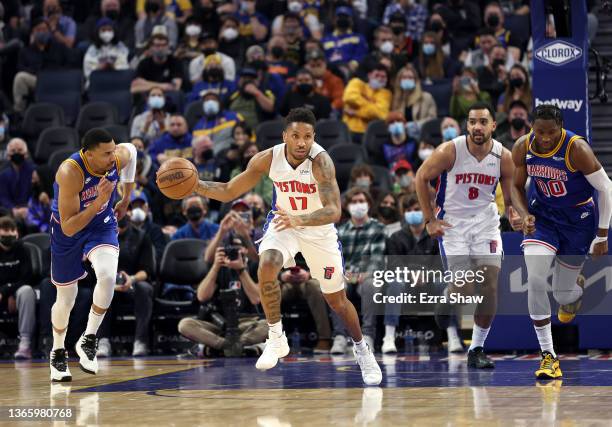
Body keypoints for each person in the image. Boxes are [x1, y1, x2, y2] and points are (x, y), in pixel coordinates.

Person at [187, 107, 382, 385]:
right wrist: (196, 185)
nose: (302, 142)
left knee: (337, 300)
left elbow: (334, 211)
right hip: (283, 224)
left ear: (313, 137)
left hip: (318, 230)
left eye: (307, 136)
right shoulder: (267, 159)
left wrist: (299, 218)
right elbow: (230, 190)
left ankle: (362, 349)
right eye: (296, 136)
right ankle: (276, 337)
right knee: (266, 264)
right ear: (285, 136)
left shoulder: (321, 162)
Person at [510, 105, 612, 379]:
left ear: (561, 128)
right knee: (535, 279)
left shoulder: (576, 149)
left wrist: (602, 234)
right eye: (539, 131)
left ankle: (573, 293)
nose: (544, 138)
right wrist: (523, 213)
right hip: (542, 217)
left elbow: (606, 188)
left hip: (578, 221)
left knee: (563, 294)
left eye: (551, 132)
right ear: (532, 128)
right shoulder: (523, 146)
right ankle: (548, 356)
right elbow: (516, 186)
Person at [415, 102, 515, 369]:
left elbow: (510, 188)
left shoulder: (503, 156)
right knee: (465, 289)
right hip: (453, 225)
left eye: (483, 121)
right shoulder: (450, 150)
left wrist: (515, 212)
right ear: (466, 125)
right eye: (472, 122)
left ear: (494, 125)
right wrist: (429, 220)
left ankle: (477, 348)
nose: (477, 127)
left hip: (485, 223)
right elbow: (421, 177)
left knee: (490, 285)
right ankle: (448, 294)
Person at [49, 128, 137, 381]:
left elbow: (131, 150)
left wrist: (126, 197)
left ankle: (89, 338)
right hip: (68, 231)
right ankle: (57, 351)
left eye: (113, 151)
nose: (113, 157)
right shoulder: (70, 172)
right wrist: (99, 201)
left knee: (109, 276)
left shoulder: (116, 157)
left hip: (101, 225)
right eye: (107, 153)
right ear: (88, 154)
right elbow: (69, 226)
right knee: (66, 298)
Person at [177, 236, 267, 355]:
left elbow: (256, 299)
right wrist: (215, 267)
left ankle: (219, 349)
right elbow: (202, 296)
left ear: (245, 250)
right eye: (228, 248)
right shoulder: (217, 267)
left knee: (271, 324)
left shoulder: (254, 266)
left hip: (246, 323)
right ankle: (229, 347)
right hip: (219, 325)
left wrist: (241, 270)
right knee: (185, 325)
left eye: (236, 247)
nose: (232, 251)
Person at [332, 188, 386, 353]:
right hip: (347, 276)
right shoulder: (340, 231)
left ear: (368, 204)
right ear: (347, 206)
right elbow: (336, 258)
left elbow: (377, 259)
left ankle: (368, 335)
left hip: (367, 275)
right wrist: (342, 272)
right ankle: (340, 337)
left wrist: (366, 273)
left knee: (370, 285)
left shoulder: (378, 228)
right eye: (354, 202)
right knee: (334, 285)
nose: (358, 205)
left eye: (361, 201)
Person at [97, 214, 155, 357]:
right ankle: (103, 341)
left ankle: (140, 341)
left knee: (144, 288)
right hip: (108, 283)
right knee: (100, 290)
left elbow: (147, 270)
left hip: (133, 283)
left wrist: (132, 279)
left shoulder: (141, 237)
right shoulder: (100, 237)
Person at [0, 216, 37, 359]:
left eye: (11, 230)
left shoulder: (22, 248)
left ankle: (25, 343)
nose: (8, 234)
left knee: (27, 291)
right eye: (4, 231)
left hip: (17, 291)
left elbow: (27, 277)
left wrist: (8, 292)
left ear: (16, 233)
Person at [279, 259, 332, 353]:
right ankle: (274, 338)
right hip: (285, 282)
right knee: (271, 289)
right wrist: (281, 276)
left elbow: (329, 265)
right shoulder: (278, 245)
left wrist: (309, 274)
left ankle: (324, 338)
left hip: (311, 279)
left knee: (313, 286)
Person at [342, 63, 391, 142]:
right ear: (369, 75)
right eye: (377, 75)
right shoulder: (356, 82)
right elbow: (350, 98)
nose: (380, 78)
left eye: (383, 76)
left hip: (370, 134)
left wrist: (356, 112)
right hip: (349, 129)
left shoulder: (386, 93)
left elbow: (381, 114)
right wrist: (371, 104)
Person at [83, 17, 130, 88]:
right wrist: (100, 67)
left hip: (117, 80)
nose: (106, 33)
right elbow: (87, 70)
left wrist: (114, 67)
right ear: (98, 32)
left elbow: (125, 65)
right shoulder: (92, 49)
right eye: (103, 30)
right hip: (98, 81)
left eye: (109, 29)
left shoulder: (120, 47)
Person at [0, 138, 35, 221]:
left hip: (31, 210)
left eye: (20, 150)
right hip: (10, 211)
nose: (16, 153)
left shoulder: (34, 172)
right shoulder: (3, 175)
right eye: (13, 151)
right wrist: (13, 209)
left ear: (26, 154)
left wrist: (28, 208)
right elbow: (3, 196)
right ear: (8, 155)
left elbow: (36, 193)